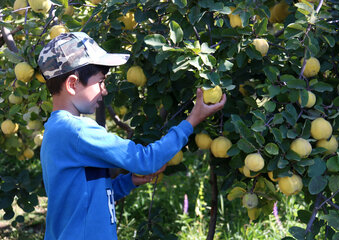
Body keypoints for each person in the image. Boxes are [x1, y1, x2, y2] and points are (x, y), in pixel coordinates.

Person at [37, 32, 226, 240]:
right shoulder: (77, 131)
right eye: (100, 82)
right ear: (73, 84)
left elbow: (87, 198)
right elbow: (146, 161)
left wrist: (129, 182)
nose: (105, 90)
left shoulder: (56, 131)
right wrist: (192, 121)